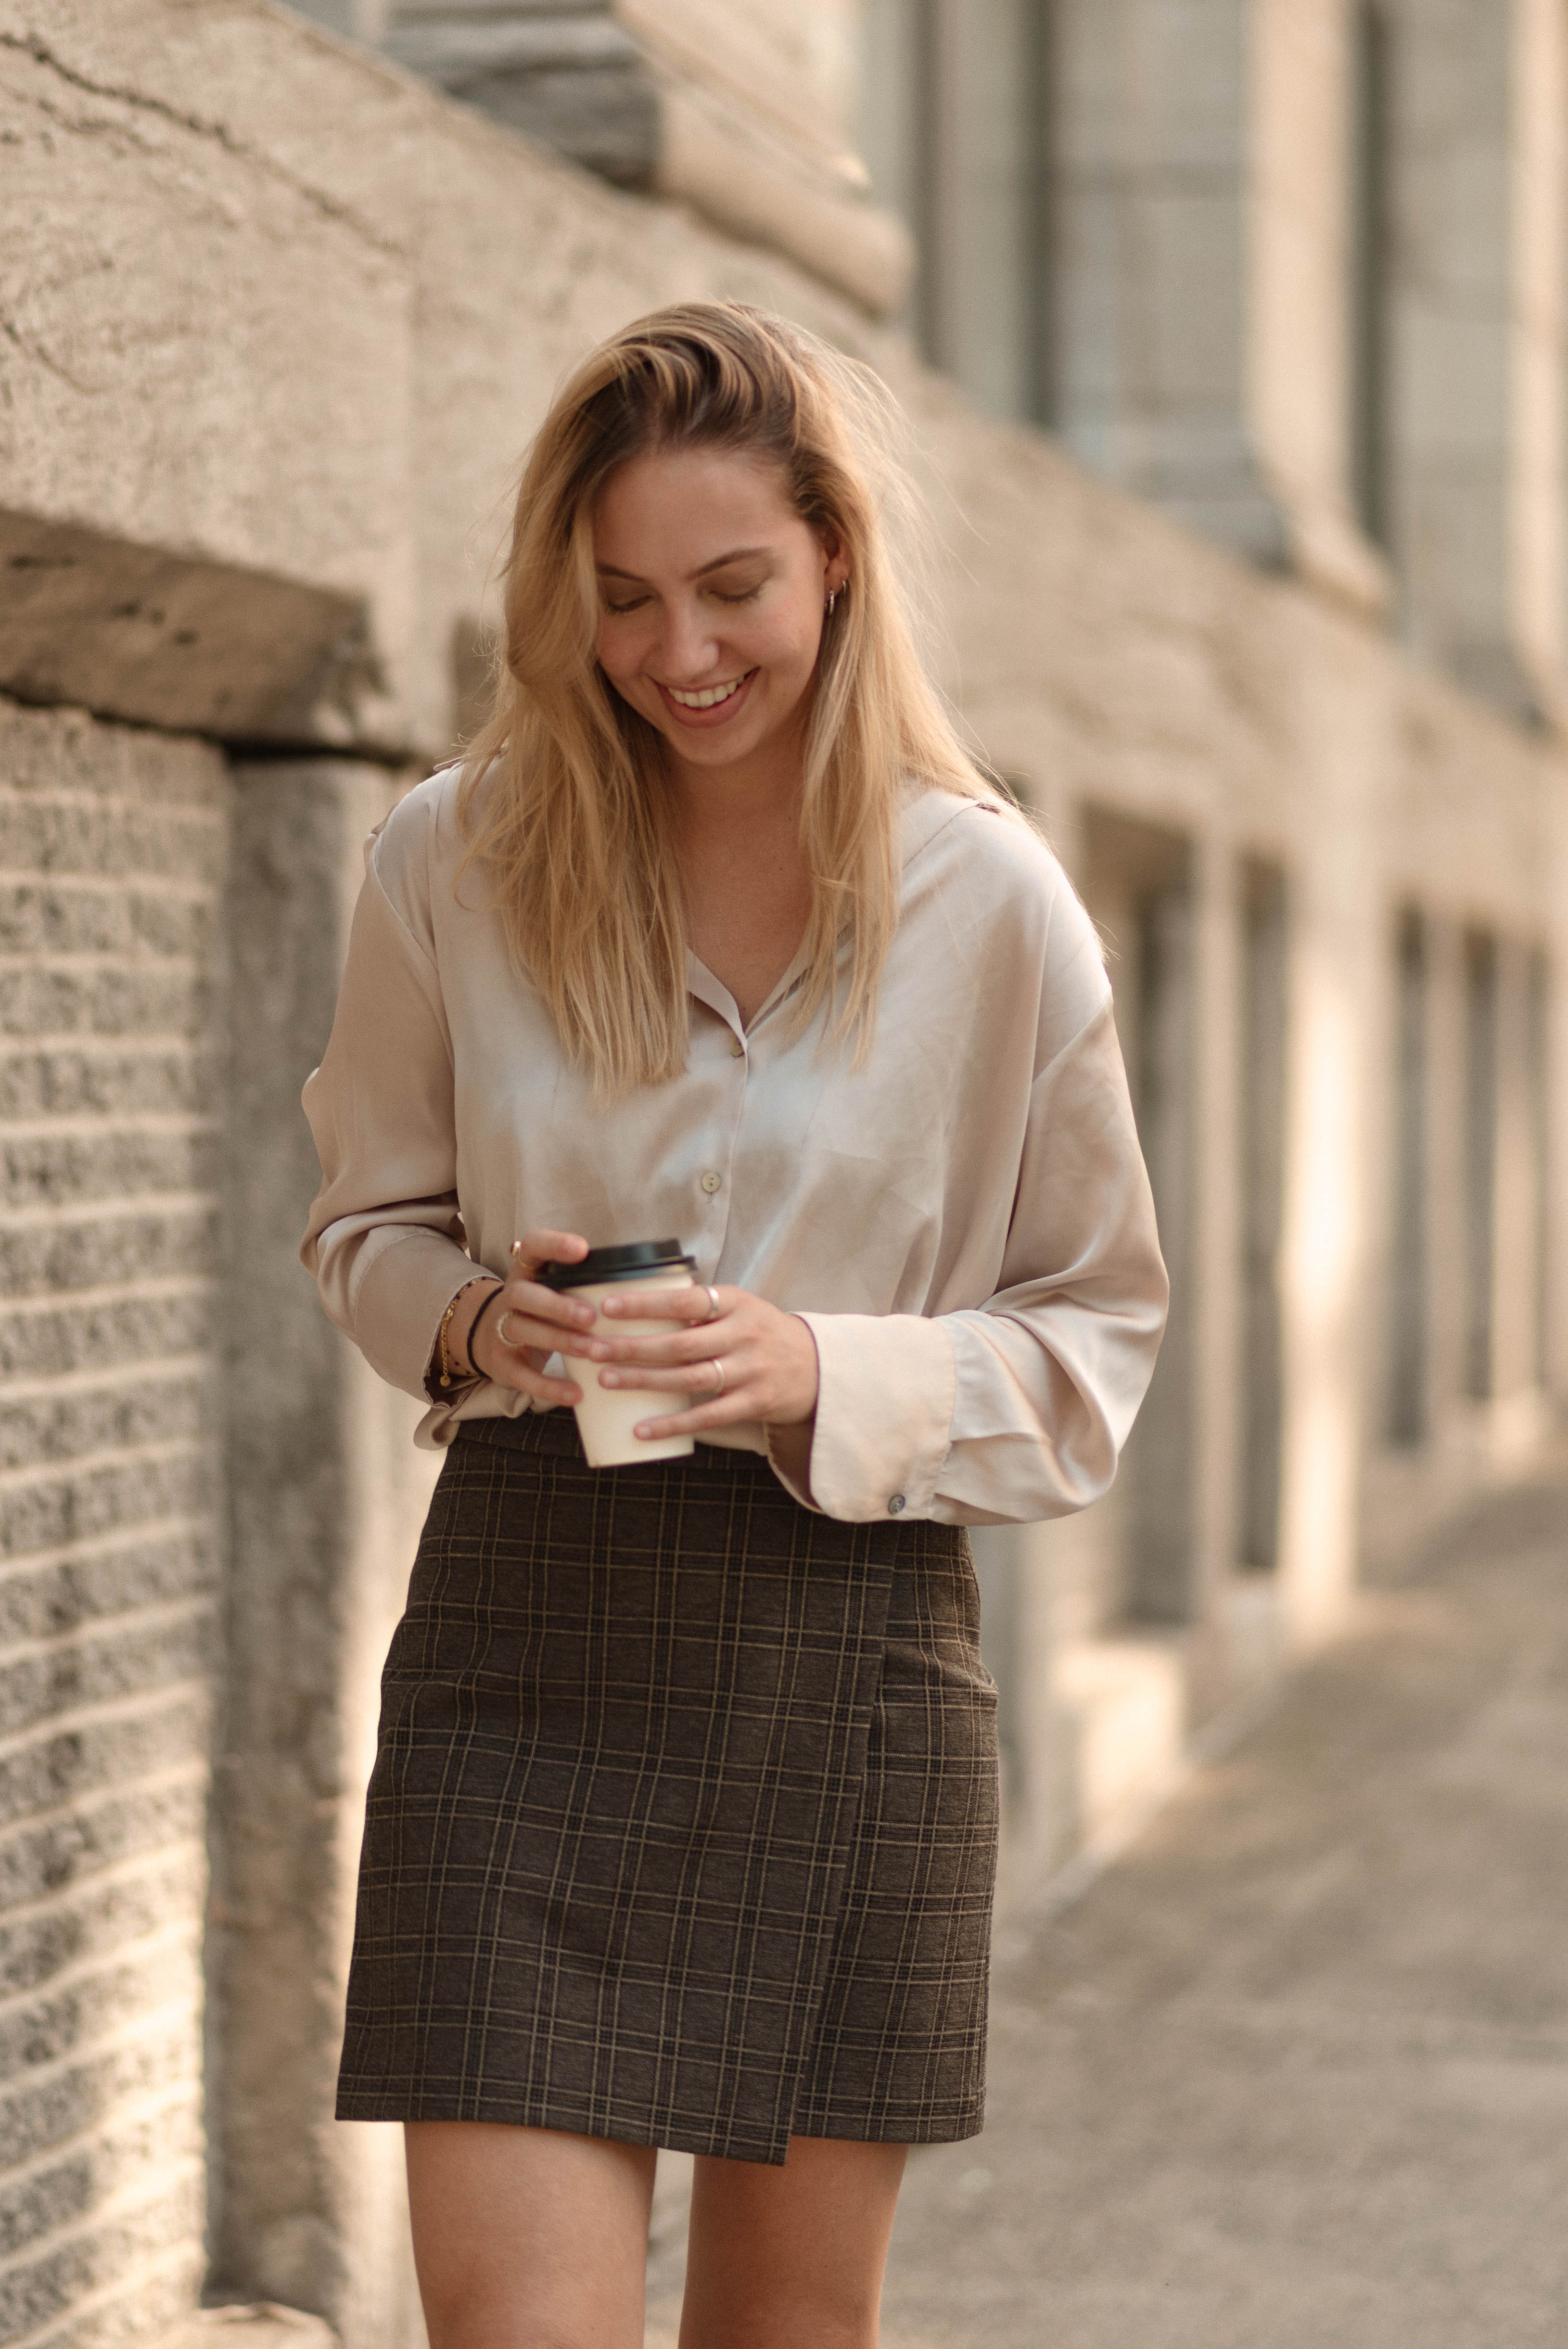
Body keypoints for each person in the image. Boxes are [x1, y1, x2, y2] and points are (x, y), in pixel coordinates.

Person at [301, 301, 1167, 2349]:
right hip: (525, 1644)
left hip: (846, 1653)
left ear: (836, 560)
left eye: (729, 590)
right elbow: (362, 1229)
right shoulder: (454, 858)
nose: (675, 654)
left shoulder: (995, 906)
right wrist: (479, 1323)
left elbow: (1093, 1347)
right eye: (619, 601)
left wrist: (819, 1373)